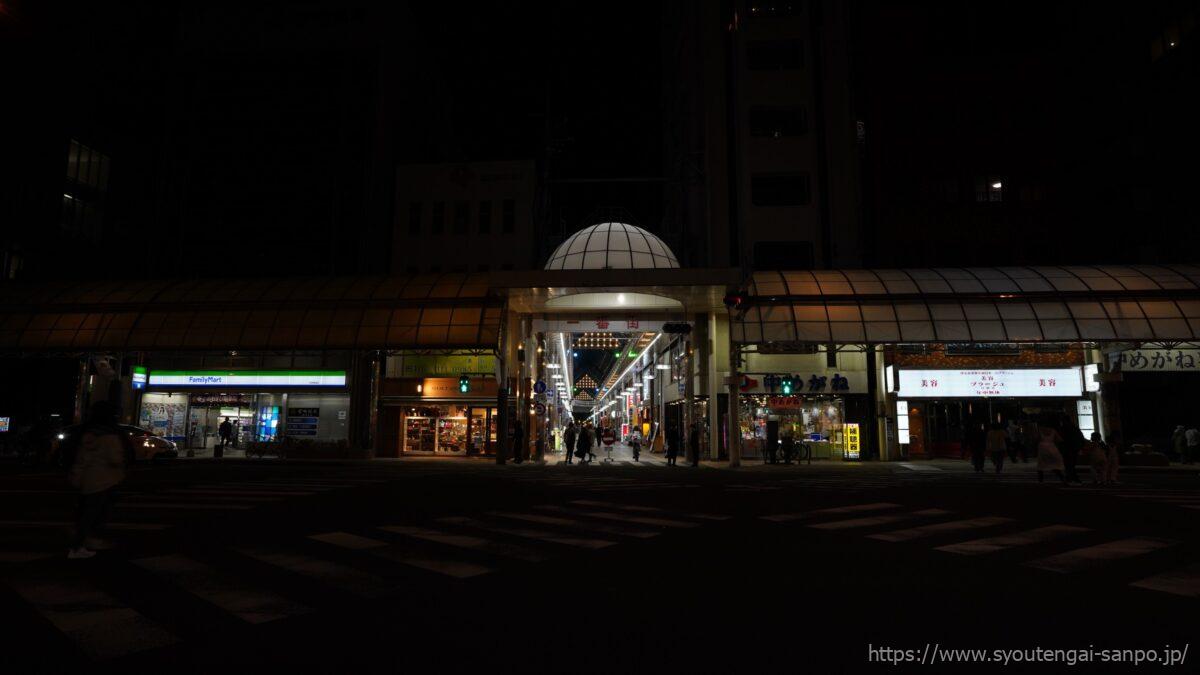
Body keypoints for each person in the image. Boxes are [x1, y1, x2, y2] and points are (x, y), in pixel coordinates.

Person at [67, 401, 129, 559]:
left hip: (87, 478)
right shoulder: (110, 435)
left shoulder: (88, 433)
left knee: (86, 512)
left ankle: (82, 541)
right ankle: (81, 544)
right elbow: (115, 458)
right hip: (105, 480)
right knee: (96, 513)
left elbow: (80, 456)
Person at [1058, 417, 1085, 484]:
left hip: (1067, 448)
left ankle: (1070, 478)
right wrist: (1081, 446)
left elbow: (1060, 440)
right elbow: (1081, 437)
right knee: (1072, 463)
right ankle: (1074, 478)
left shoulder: (1063, 429)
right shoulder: (1075, 428)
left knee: (1068, 464)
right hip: (1075, 448)